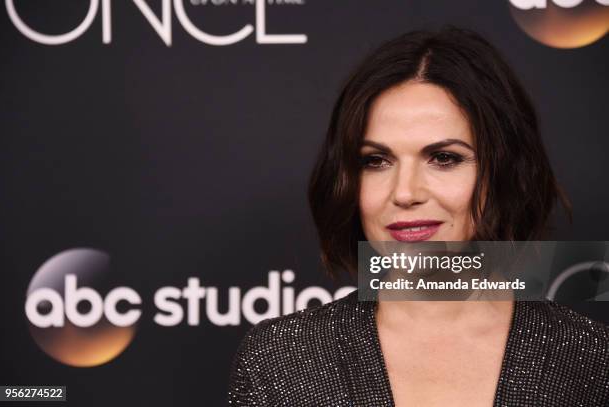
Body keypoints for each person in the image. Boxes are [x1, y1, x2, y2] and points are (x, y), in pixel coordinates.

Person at [227, 26, 609, 406]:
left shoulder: (590, 360)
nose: (405, 193)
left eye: (444, 158)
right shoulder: (283, 361)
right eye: (375, 161)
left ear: (505, 171)